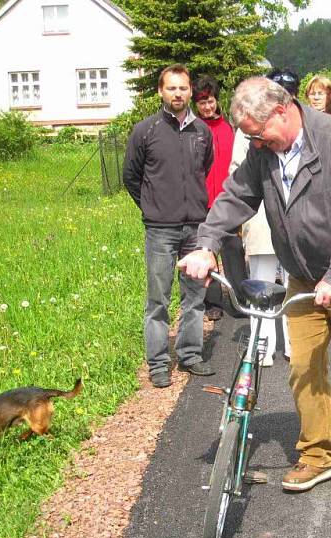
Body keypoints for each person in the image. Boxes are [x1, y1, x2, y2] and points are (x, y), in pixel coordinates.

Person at [178, 77, 331, 493]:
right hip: (302, 272)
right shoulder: (263, 152)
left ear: (282, 110)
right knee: (302, 367)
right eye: (249, 137)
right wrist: (206, 244)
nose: (256, 143)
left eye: (259, 134)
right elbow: (236, 196)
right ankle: (317, 453)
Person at [122, 64, 216, 388]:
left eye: (183, 88)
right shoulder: (145, 131)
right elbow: (131, 177)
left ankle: (190, 356)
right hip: (160, 230)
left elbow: (205, 167)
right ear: (160, 92)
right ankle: (159, 363)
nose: (178, 93)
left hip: (195, 228)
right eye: (171, 88)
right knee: (158, 300)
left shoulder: (201, 132)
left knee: (194, 298)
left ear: (190, 92)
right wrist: (151, 207)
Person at [234, 69, 301, 366]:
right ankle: (261, 346)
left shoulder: (302, 127)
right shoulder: (247, 128)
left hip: (295, 226)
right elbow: (239, 175)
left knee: (293, 286)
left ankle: (294, 344)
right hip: (261, 216)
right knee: (261, 284)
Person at [193, 75, 235, 322]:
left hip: (228, 199)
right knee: (208, 251)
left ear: (216, 100)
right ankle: (213, 301)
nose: (207, 107)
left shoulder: (229, 128)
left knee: (233, 250)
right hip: (202, 200)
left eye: (209, 101)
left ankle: (239, 297)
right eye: (201, 103)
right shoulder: (195, 130)